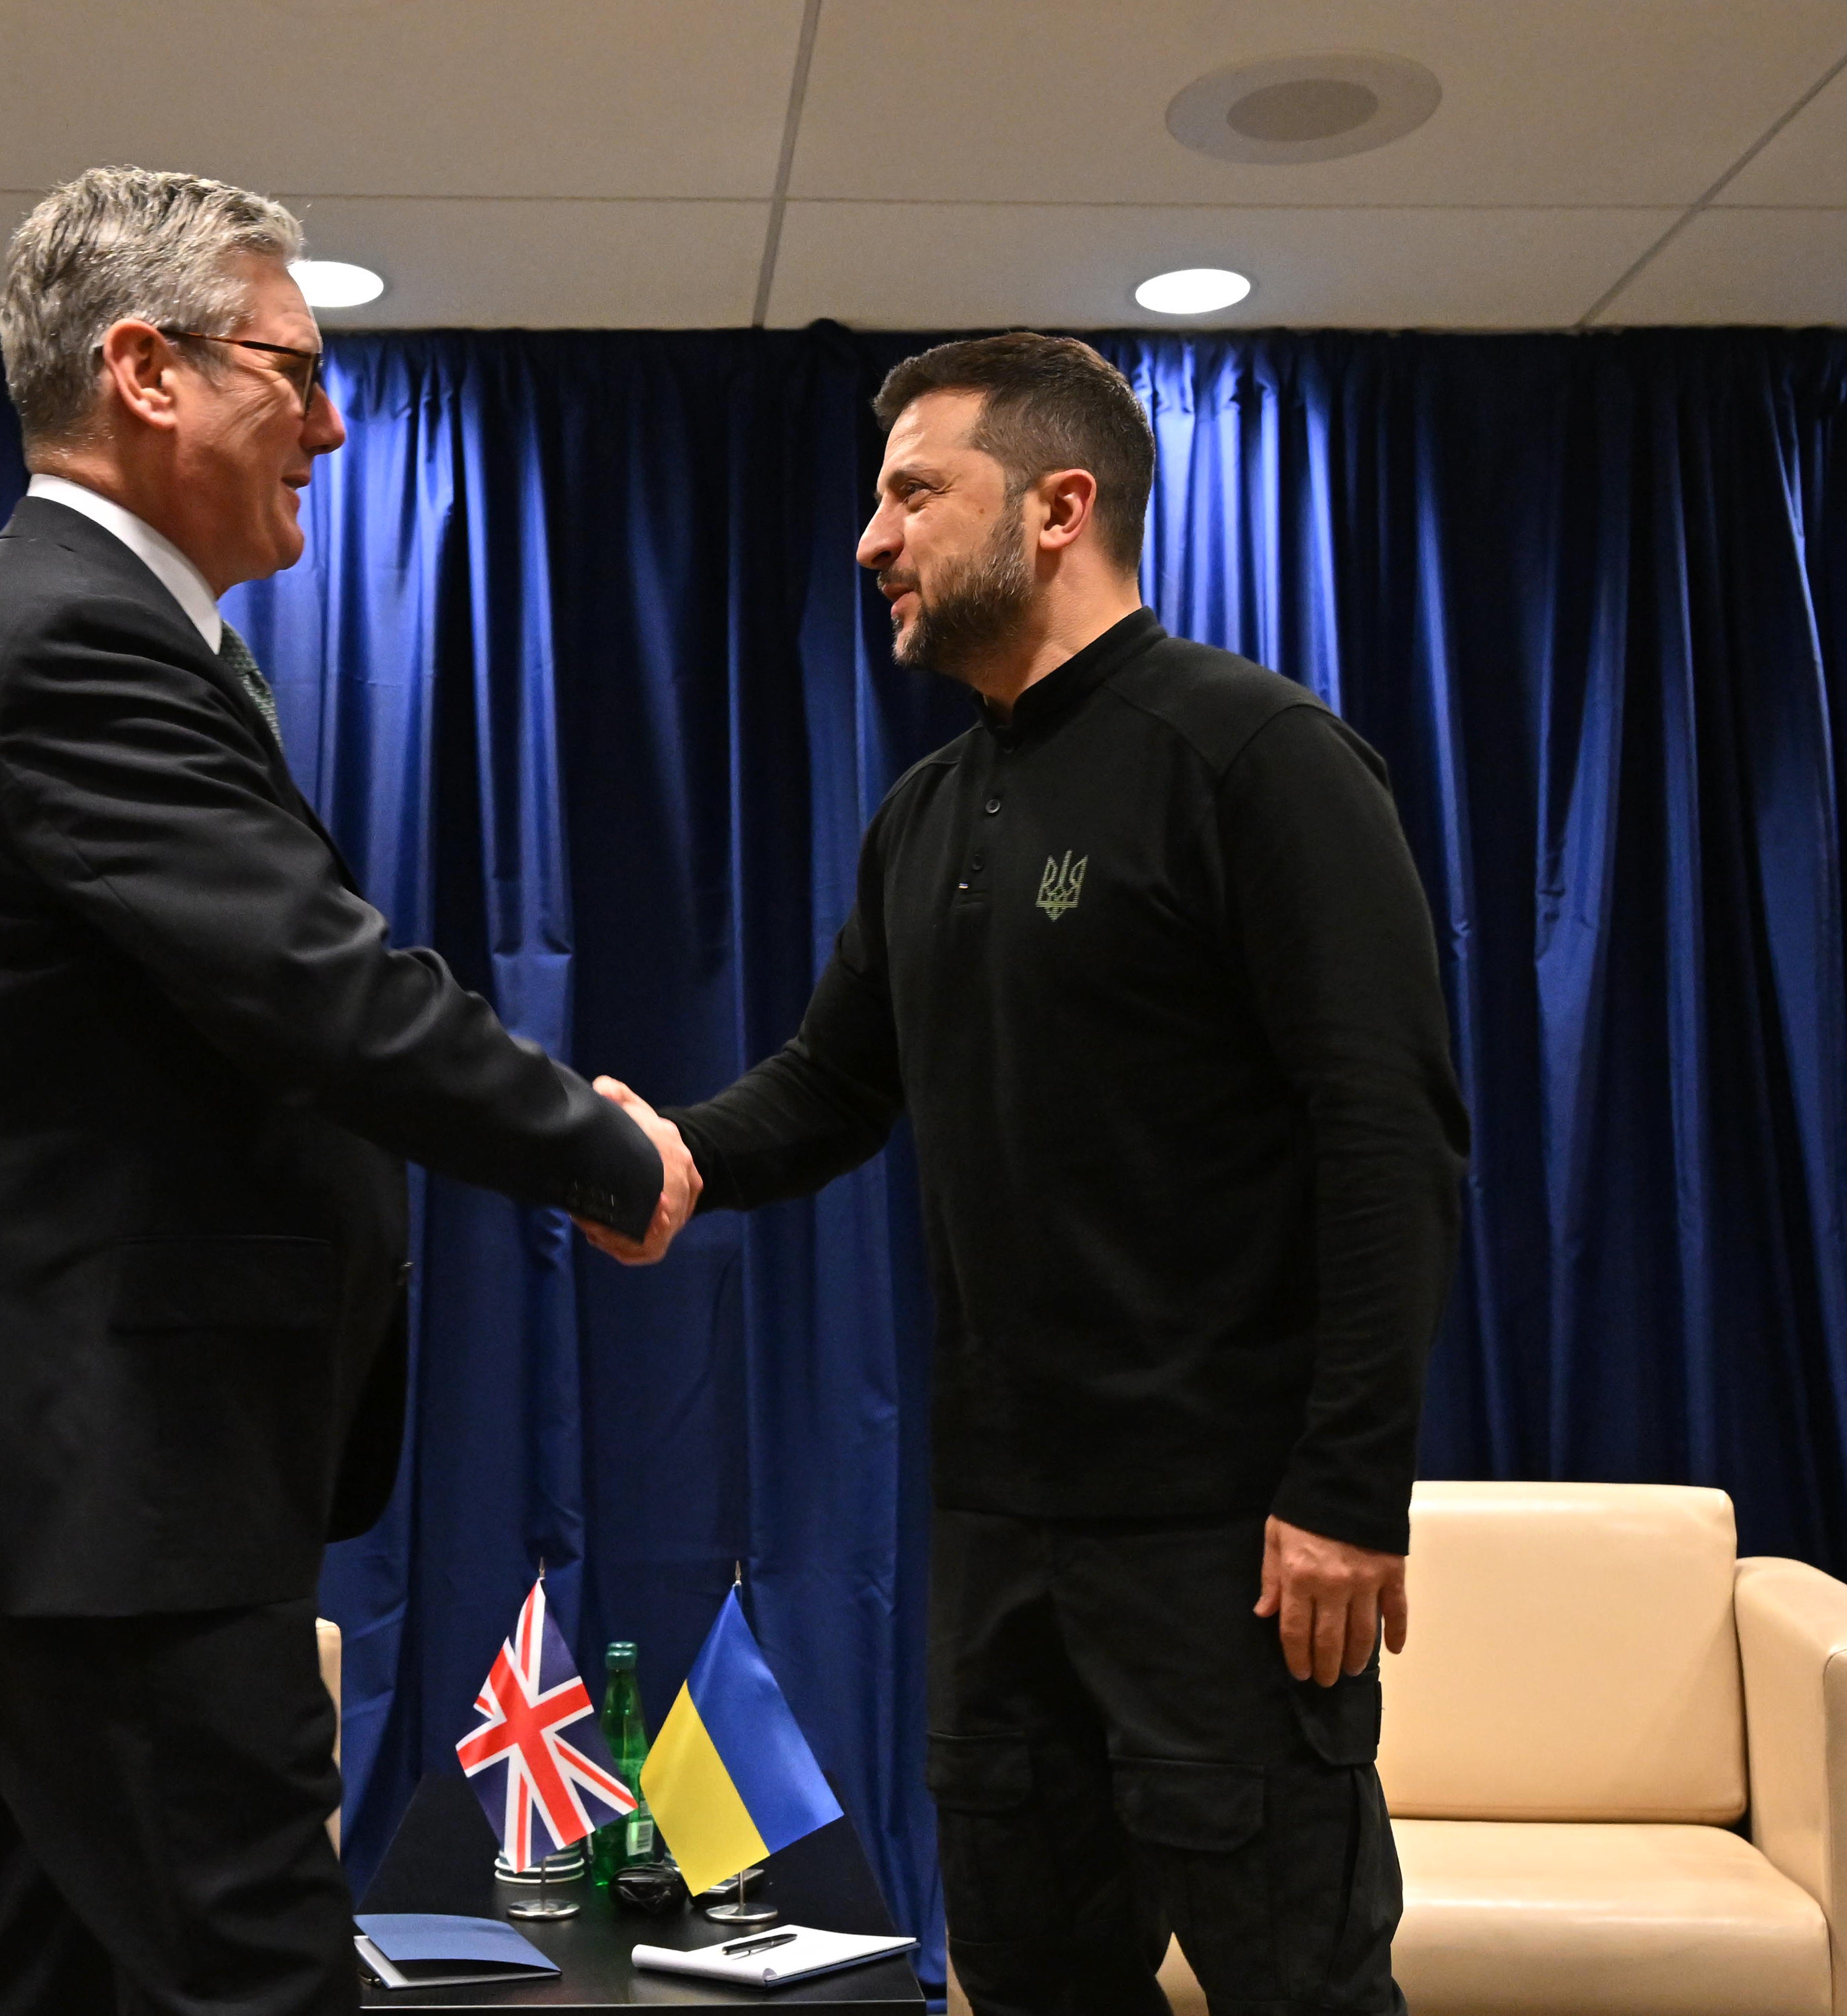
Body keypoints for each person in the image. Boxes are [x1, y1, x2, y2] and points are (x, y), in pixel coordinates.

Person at [0, 166, 697, 2016]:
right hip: (102, 1477)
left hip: (96, 1473)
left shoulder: (87, 626)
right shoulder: (68, 633)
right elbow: (320, 987)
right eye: (291, 367)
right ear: (145, 370)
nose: (327, 419)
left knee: (55, 1976)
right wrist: (599, 1149)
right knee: (259, 1977)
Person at [591, 334, 1466, 2016]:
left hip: (1230, 1545)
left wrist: (1351, 1489)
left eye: (915, 493)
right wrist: (672, 1156)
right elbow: (835, 1085)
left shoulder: (1254, 755)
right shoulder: (929, 815)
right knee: (1029, 1975)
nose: (873, 540)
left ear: (1062, 508)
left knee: (1302, 1984)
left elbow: (1389, 1131)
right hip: (999, 1538)